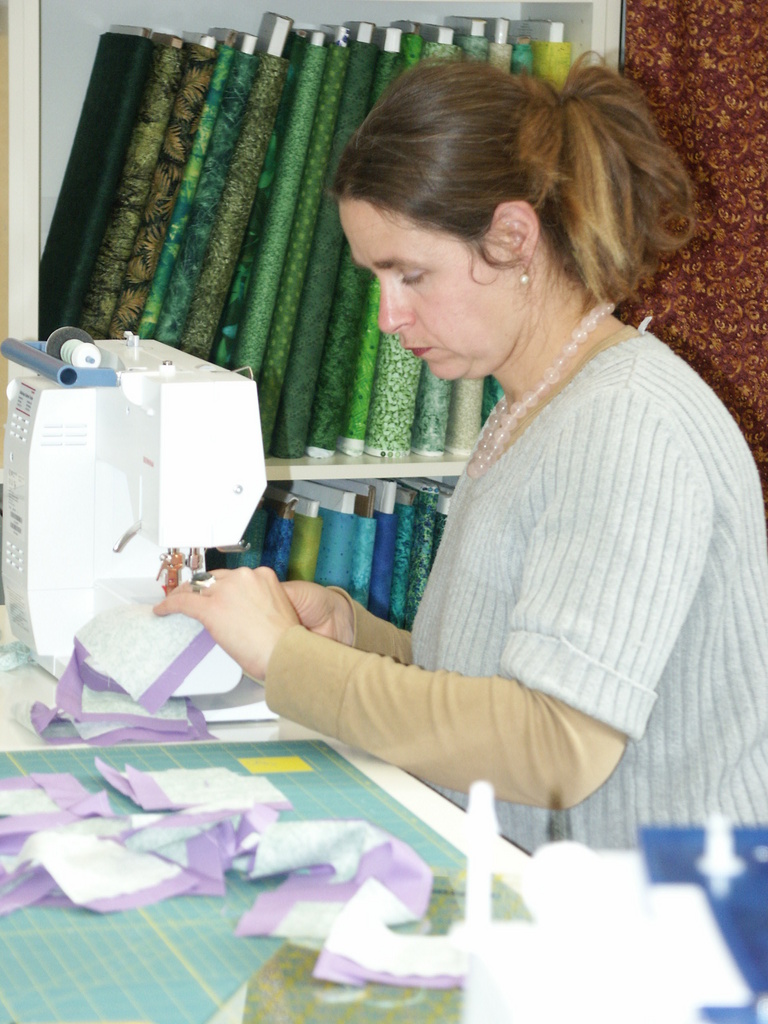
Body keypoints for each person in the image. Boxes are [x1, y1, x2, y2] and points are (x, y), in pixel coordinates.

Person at [156, 56, 768, 852]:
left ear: (513, 237)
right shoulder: (534, 402)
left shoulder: (629, 424)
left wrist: (288, 659)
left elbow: (555, 746)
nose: (389, 317)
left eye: (412, 274)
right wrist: (349, 637)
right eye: (379, 279)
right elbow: (502, 680)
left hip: (671, 911)